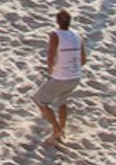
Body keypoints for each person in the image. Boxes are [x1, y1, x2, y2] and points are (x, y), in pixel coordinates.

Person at [34, 9, 86, 145]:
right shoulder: (77, 35)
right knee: (62, 101)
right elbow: (83, 60)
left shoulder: (55, 35)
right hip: (76, 77)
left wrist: (51, 70)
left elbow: (51, 55)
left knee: (39, 100)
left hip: (61, 77)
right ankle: (62, 130)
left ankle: (57, 129)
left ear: (57, 21)